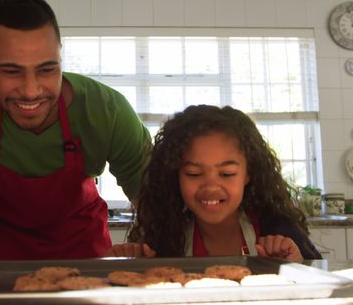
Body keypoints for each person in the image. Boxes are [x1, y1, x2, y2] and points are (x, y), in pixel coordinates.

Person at [0, 0, 151, 262]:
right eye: (11, 71)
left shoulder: (108, 111)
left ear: (60, 56)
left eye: (46, 70)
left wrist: (149, 251)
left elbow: (153, 200)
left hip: (85, 257)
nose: (31, 91)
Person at [105, 105, 321, 262]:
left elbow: (320, 287)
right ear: (175, 175)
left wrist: (297, 266)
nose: (210, 187)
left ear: (248, 174)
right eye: (194, 173)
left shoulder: (279, 229)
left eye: (226, 174)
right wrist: (132, 266)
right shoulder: (163, 234)